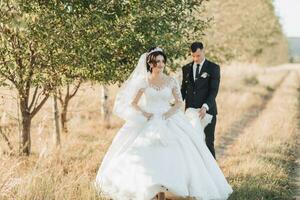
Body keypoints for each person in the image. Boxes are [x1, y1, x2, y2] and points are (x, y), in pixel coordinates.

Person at [95, 47, 232, 200]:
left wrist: (168, 114)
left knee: (179, 150)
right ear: (151, 63)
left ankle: (170, 187)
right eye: (157, 61)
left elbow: (179, 103)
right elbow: (133, 103)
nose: (160, 64)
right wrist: (145, 113)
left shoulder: (170, 80)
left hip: (169, 118)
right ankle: (151, 188)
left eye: (162, 61)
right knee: (144, 151)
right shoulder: (144, 81)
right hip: (150, 118)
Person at [181, 42, 220, 158]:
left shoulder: (213, 68)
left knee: (208, 142)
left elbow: (214, 91)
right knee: (191, 142)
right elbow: (184, 90)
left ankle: (213, 173)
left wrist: (205, 106)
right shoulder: (186, 68)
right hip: (190, 113)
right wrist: (175, 102)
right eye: (193, 56)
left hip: (207, 112)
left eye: (198, 55)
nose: (195, 59)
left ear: (203, 51)